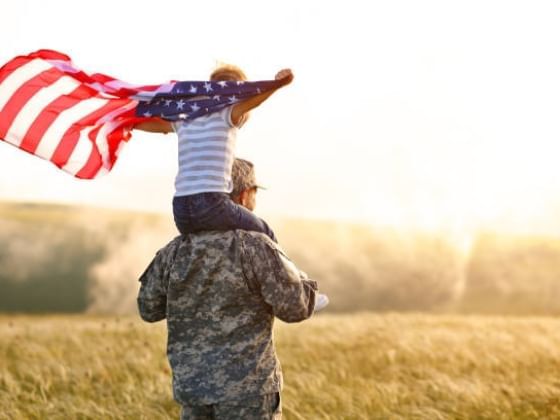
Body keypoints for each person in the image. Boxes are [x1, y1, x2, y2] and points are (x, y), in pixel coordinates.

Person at [137, 158, 327, 420]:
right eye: (255, 192)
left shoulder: (174, 251)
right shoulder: (256, 246)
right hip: (248, 395)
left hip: (193, 392)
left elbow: (147, 308)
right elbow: (295, 308)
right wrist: (302, 282)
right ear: (243, 194)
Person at [134, 65, 293, 242]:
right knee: (266, 233)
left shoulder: (186, 118)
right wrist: (278, 84)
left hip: (181, 211)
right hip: (212, 205)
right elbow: (255, 101)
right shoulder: (226, 113)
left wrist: (122, 120)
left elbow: (151, 126)